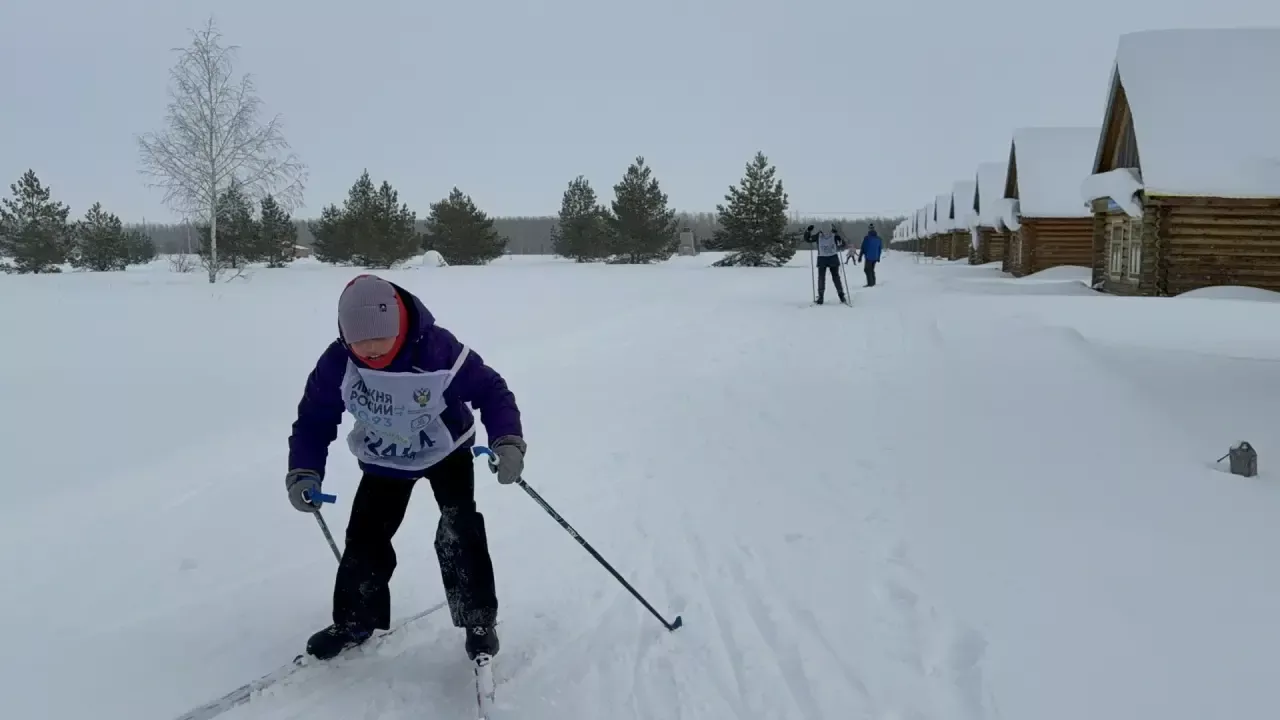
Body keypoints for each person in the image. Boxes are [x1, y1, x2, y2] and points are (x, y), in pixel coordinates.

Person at [285, 274, 526, 663]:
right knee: (364, 537)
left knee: (458, 530)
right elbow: (314, 418)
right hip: (385, 457)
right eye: (359, 343)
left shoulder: (436, 349)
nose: (371, 351)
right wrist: (304, 470)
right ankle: (354, 620)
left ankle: (478, 621)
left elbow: (491, 390)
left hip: (446, 451)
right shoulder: (338, 362)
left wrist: (507, 440)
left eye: (379, 340)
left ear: (398, 327)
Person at [805, 223, 847, 304]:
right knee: (836, 277)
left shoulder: (818, 236)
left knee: (821, 278)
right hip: (833, 259)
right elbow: (843, 244)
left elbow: (808, 239)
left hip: (822, 259)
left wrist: (808, 231)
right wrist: (839, 237)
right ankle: (841, 295)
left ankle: (821, 297)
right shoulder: (834, 235)